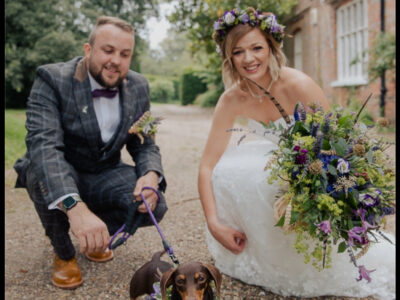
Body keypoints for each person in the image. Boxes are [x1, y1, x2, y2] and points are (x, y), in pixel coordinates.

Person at [198, 7, 395, 299]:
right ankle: (259, 254)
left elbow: (337, 144)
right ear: (229, 57)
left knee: (272, 183)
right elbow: (205, 166)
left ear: (272, 47)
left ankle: (304, 255)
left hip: (313, 162)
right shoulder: (231, 99)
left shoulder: (298, 84)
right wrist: (214, 223)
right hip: (273, 159)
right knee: (226, 172)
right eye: (238, 52)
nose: (249, 58)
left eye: (256, 48)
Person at [13, 16, 167, 289]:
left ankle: (95, 235)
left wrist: (151, 173)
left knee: (156, 203)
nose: (115, 61)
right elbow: (44, 147)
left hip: (102, 172)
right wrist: (75, 208)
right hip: (62, 169)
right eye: (108, 50)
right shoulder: (51, 78)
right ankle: (63, 252)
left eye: (124, 54)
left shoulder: (139, 85)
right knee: (37, 167)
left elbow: (144, 143)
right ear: (88, 50)